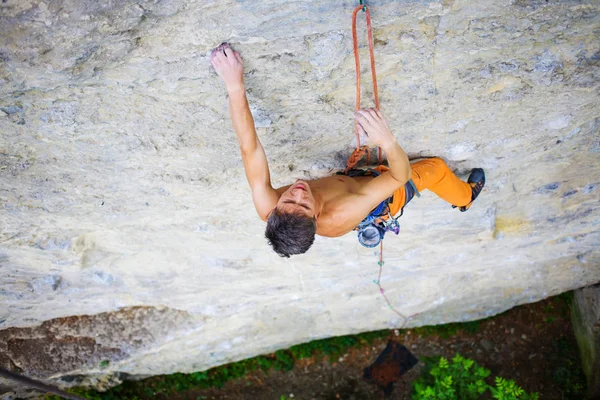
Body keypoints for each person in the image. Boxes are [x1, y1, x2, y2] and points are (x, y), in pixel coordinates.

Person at [210, 43, 485, 257]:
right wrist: (387, 140)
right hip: (383, 196)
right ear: (316, 216)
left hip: (353, 181)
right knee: (434, 169)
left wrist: (234, 86)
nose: (297, 192)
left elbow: (249, 147)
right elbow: (399, 177)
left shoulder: (270, 208)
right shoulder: (343, 211)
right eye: (304, 204)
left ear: (274, 212)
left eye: (287, 200)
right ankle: (465, 198)